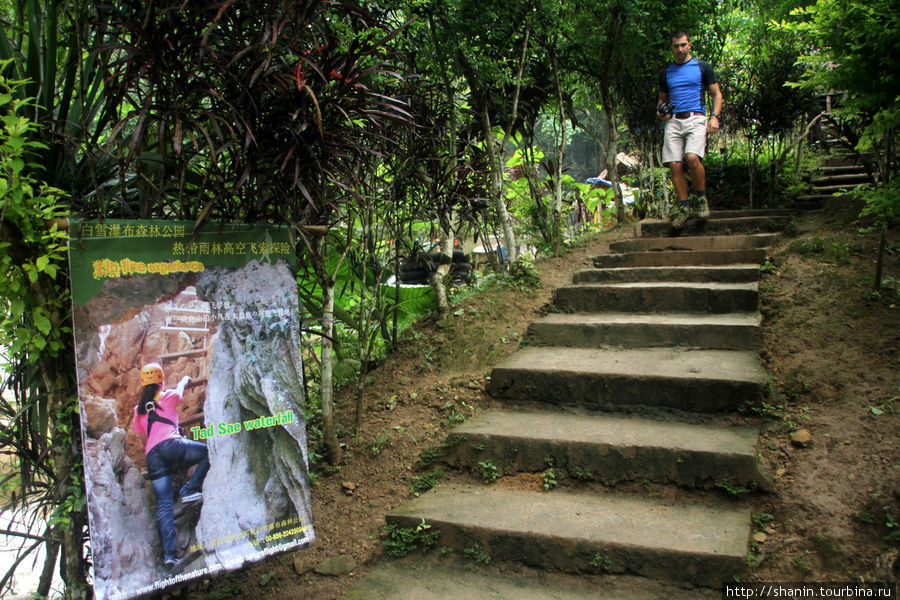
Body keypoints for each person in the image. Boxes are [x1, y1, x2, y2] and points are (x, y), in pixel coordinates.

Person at [133, 362, 209, 567]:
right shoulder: (167, 397)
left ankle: (169, 554)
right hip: (171, 444)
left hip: (153, 456)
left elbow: (141, 431)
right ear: (161, 380)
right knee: (209, 452)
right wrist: (184, 380)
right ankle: (190, 489)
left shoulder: (138, 409)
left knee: (164, 505)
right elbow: (180, 393)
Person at [657, 29, 723, 229]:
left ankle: (701, 198)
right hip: (674, 121)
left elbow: (717, 94)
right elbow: (661, 100)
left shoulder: (702, 67)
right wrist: (661, 111)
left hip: (696, 118)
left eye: (683, 45)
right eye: (676, 46)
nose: (680, 49)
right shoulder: (666, 72)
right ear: (671, 48)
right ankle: (684, 206)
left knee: (692, 157)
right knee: (674, 164)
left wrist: (715, 118)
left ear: (689, 45)